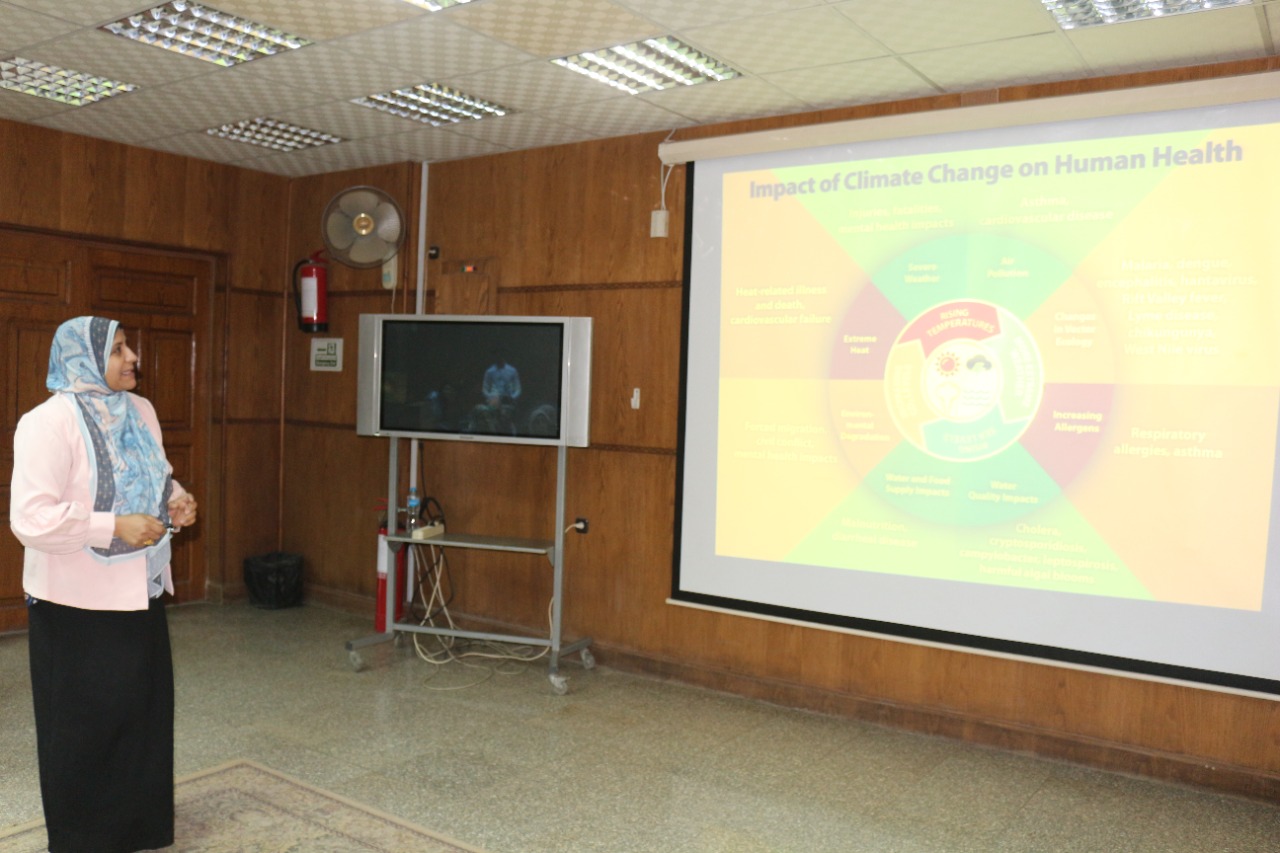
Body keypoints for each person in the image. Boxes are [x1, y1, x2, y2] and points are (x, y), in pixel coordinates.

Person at [9, 316, 197, 853]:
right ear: (83, 359)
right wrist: (112, 526)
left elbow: (155, 474)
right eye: (117, 350)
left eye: (127, 346)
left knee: (141, 714)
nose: (132, 357)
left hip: (139, 590)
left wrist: (177, 501)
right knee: (84, 728)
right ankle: (84, 838)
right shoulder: (47, 423)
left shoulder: (141, 410)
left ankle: (138, 828)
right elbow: (30, 519)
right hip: (74, 604)